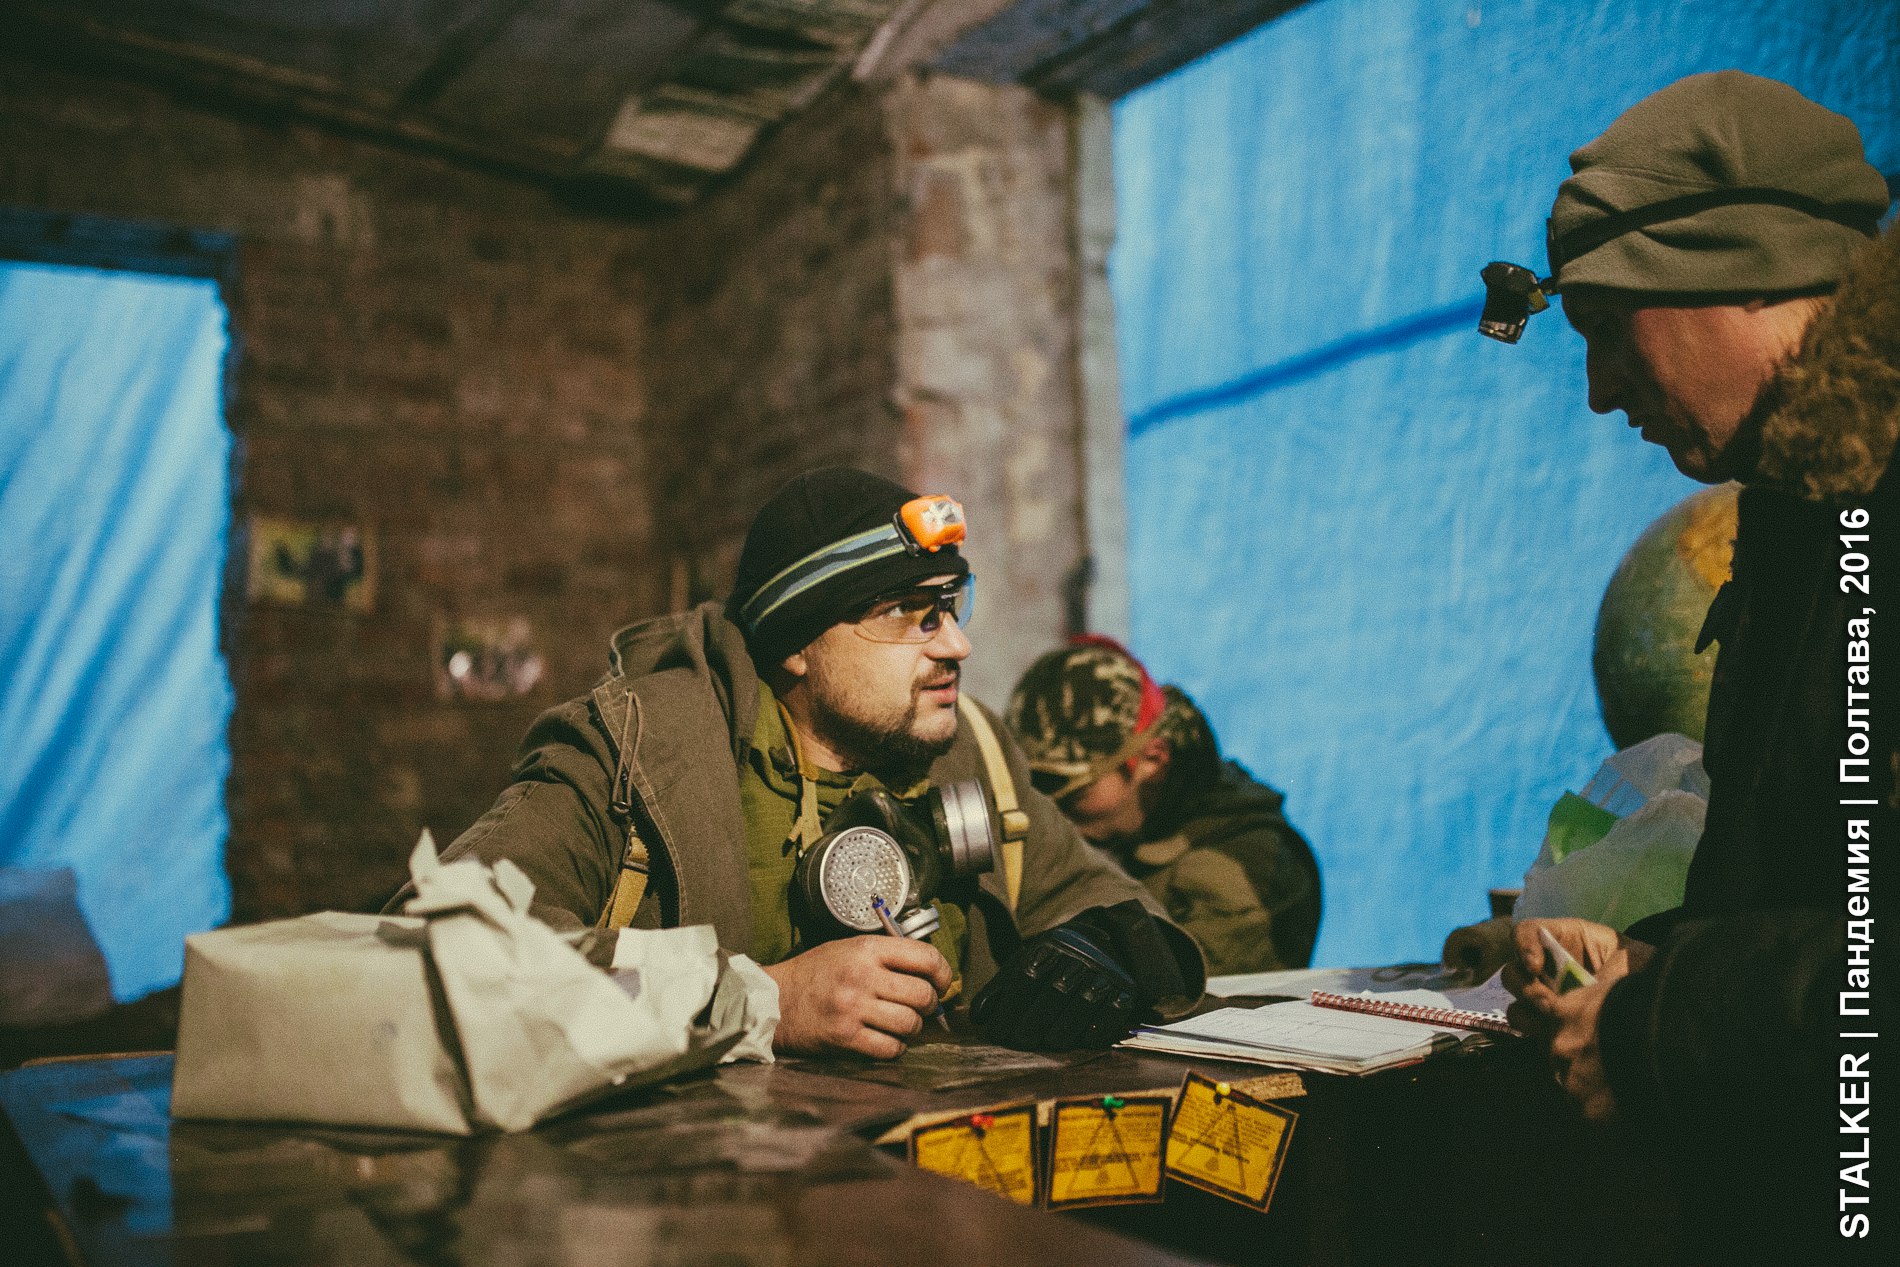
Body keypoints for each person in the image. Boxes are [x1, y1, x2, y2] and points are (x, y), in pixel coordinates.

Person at [1481, 71, 1894, 1255]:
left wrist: (1659, 1018)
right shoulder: (1799, 511)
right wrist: (1653, 953)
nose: (1600, 391)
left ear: (1744, 271)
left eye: (1610, 330)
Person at [392, 468, 1203, 1059]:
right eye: (909, 613)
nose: (956, 643)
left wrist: (1108, 952)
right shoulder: (633, 753)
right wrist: (764, 1000)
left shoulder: (968, 749)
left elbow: (1126, 911)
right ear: (797, 645)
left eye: (950, 606)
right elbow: (443, 944)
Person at [1006, 636, 1321, 975]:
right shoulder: (1140, 825)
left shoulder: (1238, 876)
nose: (1049, 811)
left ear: (1153, 759)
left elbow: (1167, 996)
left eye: (1072, 792)